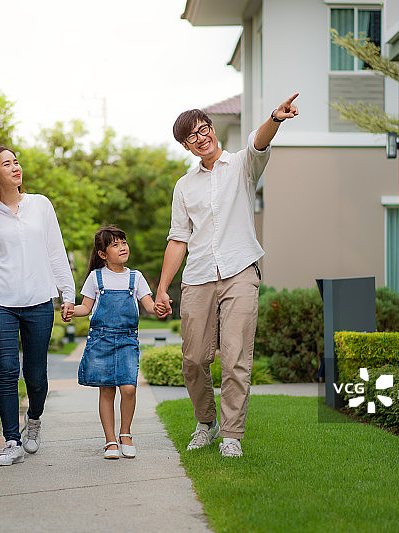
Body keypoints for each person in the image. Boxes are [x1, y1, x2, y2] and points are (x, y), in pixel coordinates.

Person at [155, 94, 299, 457]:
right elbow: (177, 239)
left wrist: (275, 119)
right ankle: (207, 422)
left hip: (239, 271)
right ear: (186, 146)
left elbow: (258, 141)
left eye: (204, 129)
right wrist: (161, 289)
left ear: (212, 129)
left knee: (235, 356)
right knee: (193, 359)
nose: (201, 138)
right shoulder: (184, 186)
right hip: (199, 275)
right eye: (192, 137)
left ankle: (232, 434)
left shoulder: (241, 165)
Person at [0, 145, 75, 467]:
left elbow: (56, 250)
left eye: (16, 162)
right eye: (7, 164)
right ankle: (11, 440)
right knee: (6, 371)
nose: (16, 167)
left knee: (36, 375)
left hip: (40, 300)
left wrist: (67, 293)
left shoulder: (40, 205)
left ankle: (35, 417)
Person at [72, 226, 156, 459]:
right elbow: (85, 307)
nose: (122, 247)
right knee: (107, 390)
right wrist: (71, 311)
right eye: (115, 244)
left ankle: (125, 434)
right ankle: (110, 441)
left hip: (128, 340)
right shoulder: (96, 277)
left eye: (124, 242)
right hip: (101, 339)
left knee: (128, 387)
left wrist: (158, 307)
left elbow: (149, 305)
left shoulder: (135, 277)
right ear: (102, 254)